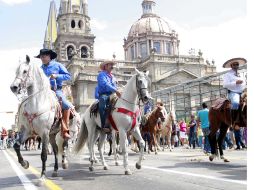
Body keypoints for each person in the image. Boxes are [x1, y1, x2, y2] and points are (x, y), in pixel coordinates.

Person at [35, 48, 73, 139]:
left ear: (49, 56)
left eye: (44, 56)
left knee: (66, 105)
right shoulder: (39, 69)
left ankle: (65, 129)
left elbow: (68, 76)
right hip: (43, 92)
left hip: (56, 91)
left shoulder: (58, 65)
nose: (42, 59)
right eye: (41, 57)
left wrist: (57, 76)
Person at [222, 57, 247, 150]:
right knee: (236, 103)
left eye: (237, 64)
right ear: (231, 66)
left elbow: (244, 83)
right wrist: (235, 82)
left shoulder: (241, 74)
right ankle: (233, 120)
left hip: (243, 91)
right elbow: (225, 84)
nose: (236, 66)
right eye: (234, 64)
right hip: (233, 92)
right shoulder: (228, 74)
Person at [97, 60, 121, 133]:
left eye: (112, 65)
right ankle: (104, 125)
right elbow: (105, 84)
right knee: (102, 105)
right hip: (105, 94)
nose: (112, 66)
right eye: (110, 65)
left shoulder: (113, 77)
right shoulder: (101, 75)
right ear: (105, 66)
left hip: (113, 94)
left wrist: (119, 90)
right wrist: (116, 90)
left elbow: (116, 86)